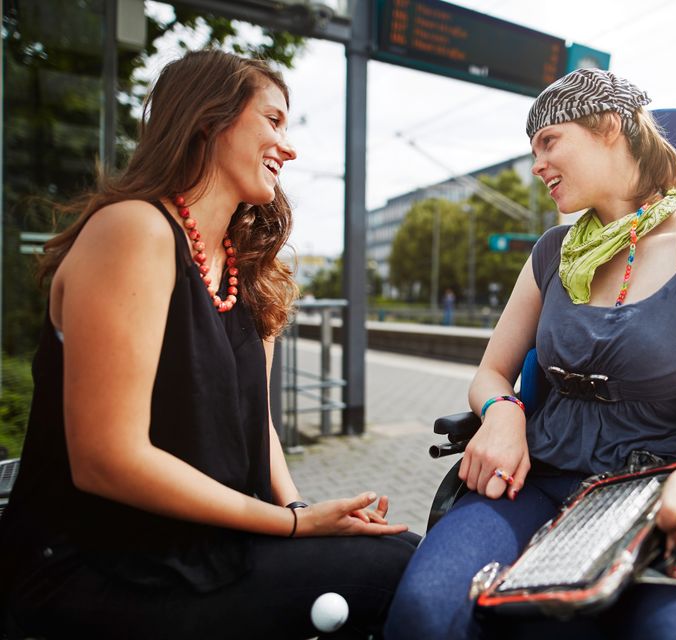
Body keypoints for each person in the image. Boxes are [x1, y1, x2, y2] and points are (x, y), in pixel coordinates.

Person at [0, 50, 418, 640]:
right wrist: (292, 529)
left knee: (406, 559)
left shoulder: (248, 272)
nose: (289, 147)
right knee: (397, 573)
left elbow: (260, 426)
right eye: (273, 120)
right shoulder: (134, 230)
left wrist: (302, 513)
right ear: (209, 119)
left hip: (209, 551)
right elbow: (106, 460)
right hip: (99, 567)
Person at [384, 69, 676, 640]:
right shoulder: (551, 253)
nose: (537, 164)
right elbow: (493, 372)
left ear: (609, 127)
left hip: (660, 489)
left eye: (549, 142)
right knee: (423, 611)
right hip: (536, 480)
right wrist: (504, 412)